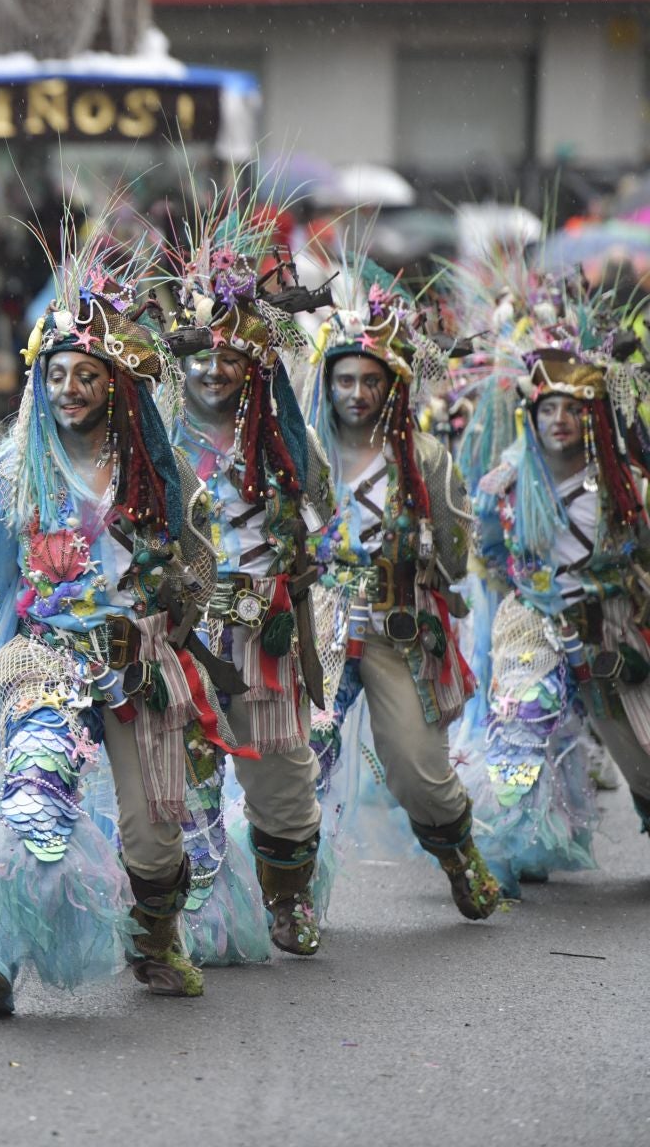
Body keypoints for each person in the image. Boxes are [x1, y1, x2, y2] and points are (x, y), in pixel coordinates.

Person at [0, 234, 229, 1016]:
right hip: (43, 663)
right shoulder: (7, 475)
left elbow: (196, 567)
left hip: (138, 662)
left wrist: (167, 620)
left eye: (85, 375)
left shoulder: (160, 475)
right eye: (55, 374)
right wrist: (27, 654)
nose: (68, 388)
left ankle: (156, 937)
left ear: (114, 385)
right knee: (30, 801)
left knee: (154, 835)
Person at [302, 263, 499, 921]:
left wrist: (431, 576)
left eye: (370, 381)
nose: (356, 393)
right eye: (345, 379)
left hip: (397, 627)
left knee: (420, 772)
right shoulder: (302, 453)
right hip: (319, 626)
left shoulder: (426, 459)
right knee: (297, 761)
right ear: (327, 384)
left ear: (392, 387)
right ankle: (285, 900)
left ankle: (458, 854)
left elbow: (453, 549)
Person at [165, 218, 333, 961]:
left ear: (254, 366)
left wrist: (309, 564)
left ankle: (289, 900)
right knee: (185, 778)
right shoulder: (153, 439)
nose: (212, 372)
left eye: (229, 358)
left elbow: (326, 515)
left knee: (282, 775)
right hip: (182, 633)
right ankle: (190, 914)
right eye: (200, 358)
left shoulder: (282, 437)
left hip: (262, 628)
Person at [467, 287, 650, 891]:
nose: (559, 421)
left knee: (638, 750)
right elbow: (487, 547)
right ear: (532, 414)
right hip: (532, 621)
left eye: (571, 409)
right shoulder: (505, 481)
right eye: (548, 409)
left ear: (591, 414)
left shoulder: (624, 487)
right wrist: (525, 588)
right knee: (521, 724)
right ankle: (518, 836)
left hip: (611, 624)